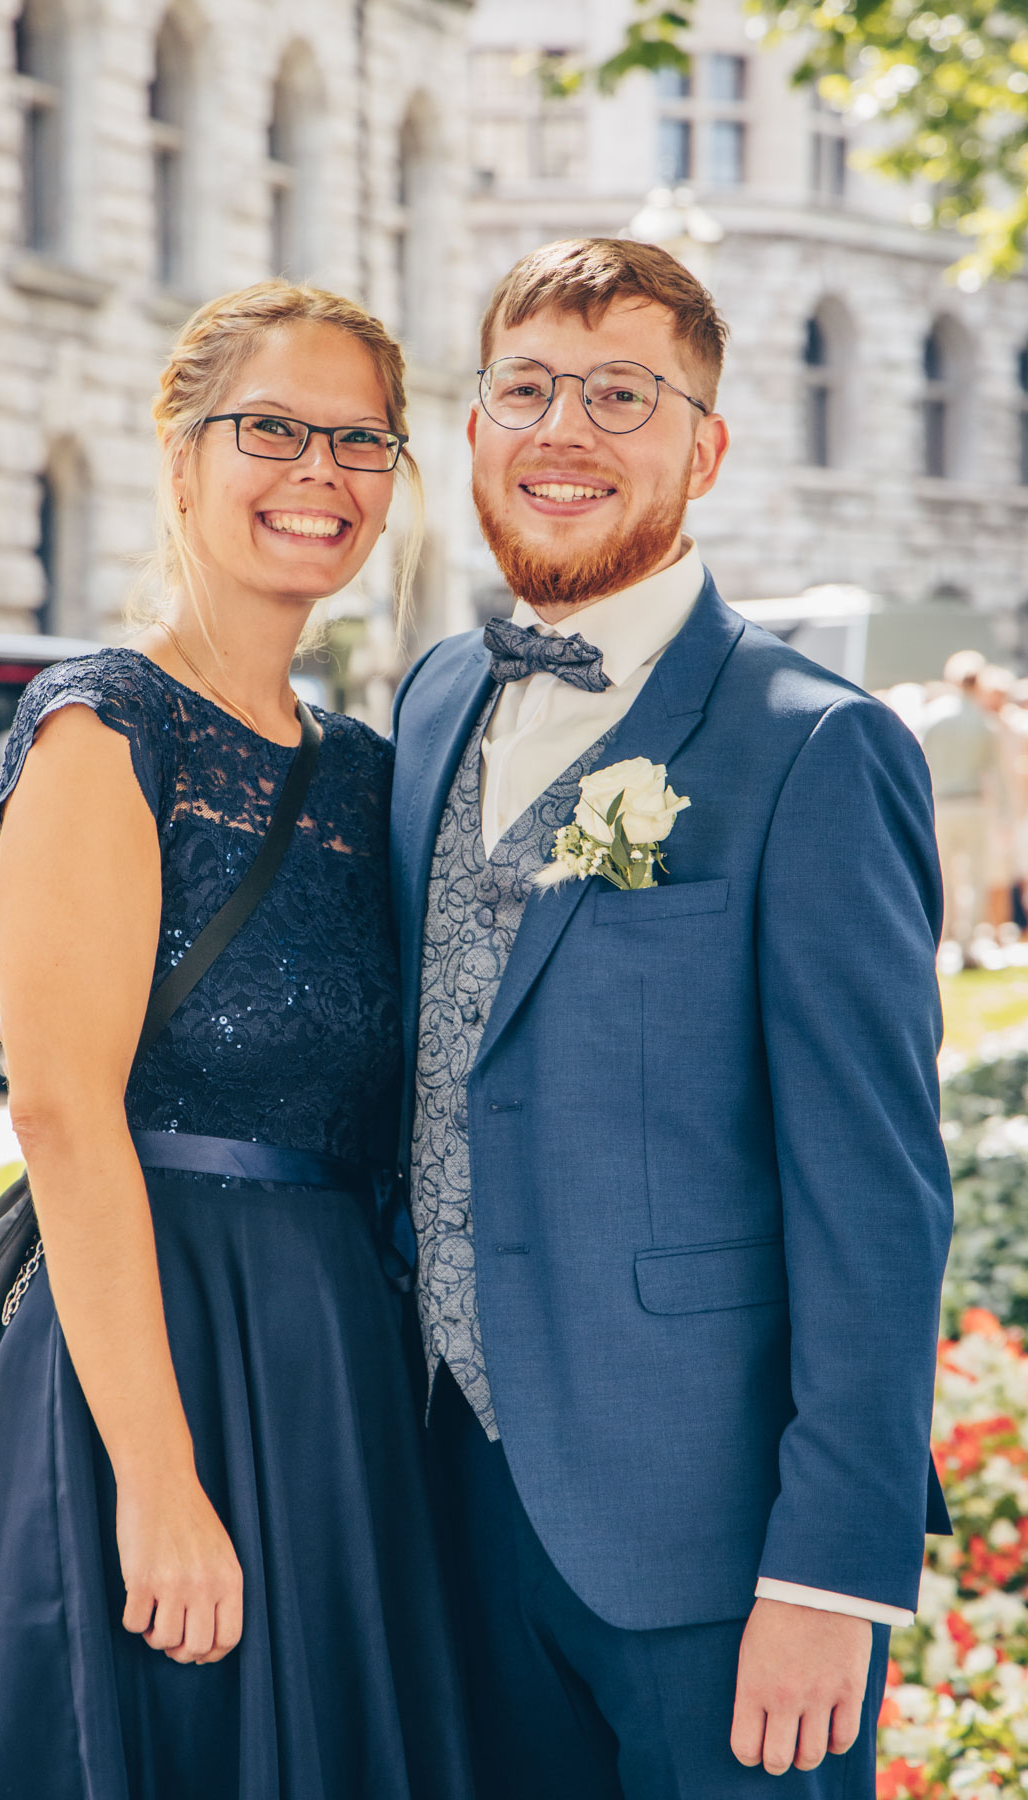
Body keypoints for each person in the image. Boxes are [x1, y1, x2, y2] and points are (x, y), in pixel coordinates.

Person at [0, 283, 473, 1800]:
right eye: (271, 428)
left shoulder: (367, 771)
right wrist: (157, 1487)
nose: (319, 475)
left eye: (361, 443)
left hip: (333, 1371)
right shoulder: (105, 733)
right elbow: (63, 1117)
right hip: (149, 1374)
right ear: (180, 450)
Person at [389, 238, 952, 1799]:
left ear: (704, 447)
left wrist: (833, 1577)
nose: (564, 430)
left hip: (713, 1557)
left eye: (622, 394)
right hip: (445, 1504)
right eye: (527, 389)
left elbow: (878, 1192)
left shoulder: (815, 748)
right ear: (478, 426)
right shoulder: (434, 699)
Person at [920, 649, 1000, 966]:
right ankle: (966, 944)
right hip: (972, 802)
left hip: (942, 803)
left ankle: (945, 940)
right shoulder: (981, 719)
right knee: (974, 875)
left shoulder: (934, 716)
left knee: (945, 876)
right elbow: (992, 770)